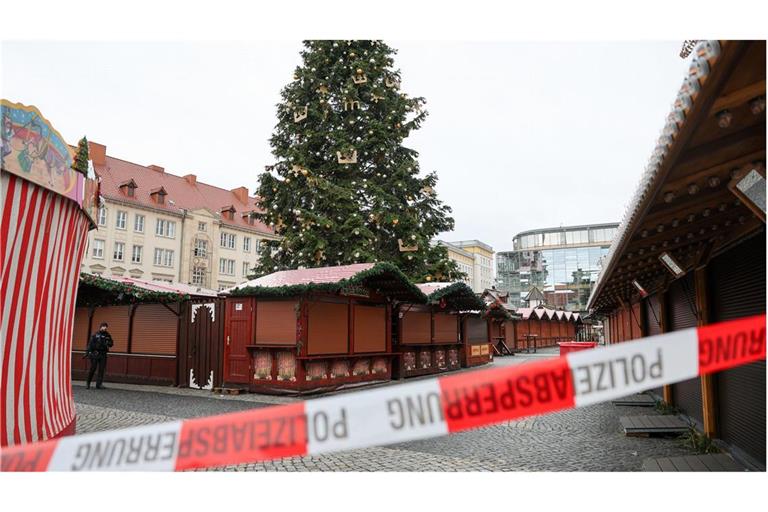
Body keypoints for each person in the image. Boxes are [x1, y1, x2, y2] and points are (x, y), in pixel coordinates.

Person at [86, 322, 114, 389]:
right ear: (100, 327)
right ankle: (88, 383)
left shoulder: (107, 335)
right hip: (95, 353)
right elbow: (90, 344)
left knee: (101, 370)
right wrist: (88, 352)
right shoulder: (95, 334)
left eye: (105, 327)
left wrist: (108, 343)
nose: (104, 328)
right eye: (103, 326)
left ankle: (99, 385)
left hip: (103, 354)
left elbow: (111, 344)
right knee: (93, 368)